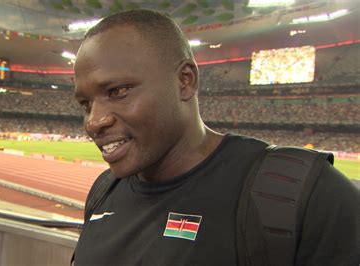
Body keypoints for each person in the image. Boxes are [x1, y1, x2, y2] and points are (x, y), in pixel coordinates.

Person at [72, 9, 359, 265]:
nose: (94, 121)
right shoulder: (103, 191)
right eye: (85, 104)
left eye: (118, 91)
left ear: (185, 81)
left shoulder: (309, 196)